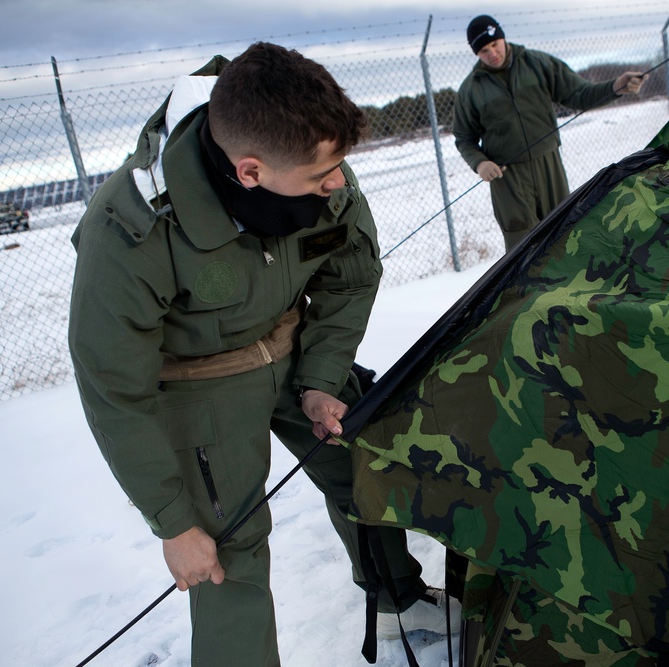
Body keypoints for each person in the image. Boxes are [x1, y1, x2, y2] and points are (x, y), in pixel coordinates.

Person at [68, 42, 458, 665]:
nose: (339, 184)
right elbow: (113, 385)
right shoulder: (130, 229)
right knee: (228, 551)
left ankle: (398, 600)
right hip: (202, 387)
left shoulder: (314, 157)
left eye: (338, 168)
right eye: (321, 177)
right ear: (250, 172)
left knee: (360, 467)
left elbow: (349, 275)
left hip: (294, 350)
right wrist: (172, 519)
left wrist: (323, 379)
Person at [453, 15, 648, 252]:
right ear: (476, 54)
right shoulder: (471, 89)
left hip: (549, 164)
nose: (492, 52)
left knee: (562, 231)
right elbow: (464, 137)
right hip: (508, 178)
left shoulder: (537, 64)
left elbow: (579, 93)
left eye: (495, 44)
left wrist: (615, 87)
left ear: (503, 38)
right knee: (521, 247)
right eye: (484, 50)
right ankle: (528, 290)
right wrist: (480, 163)